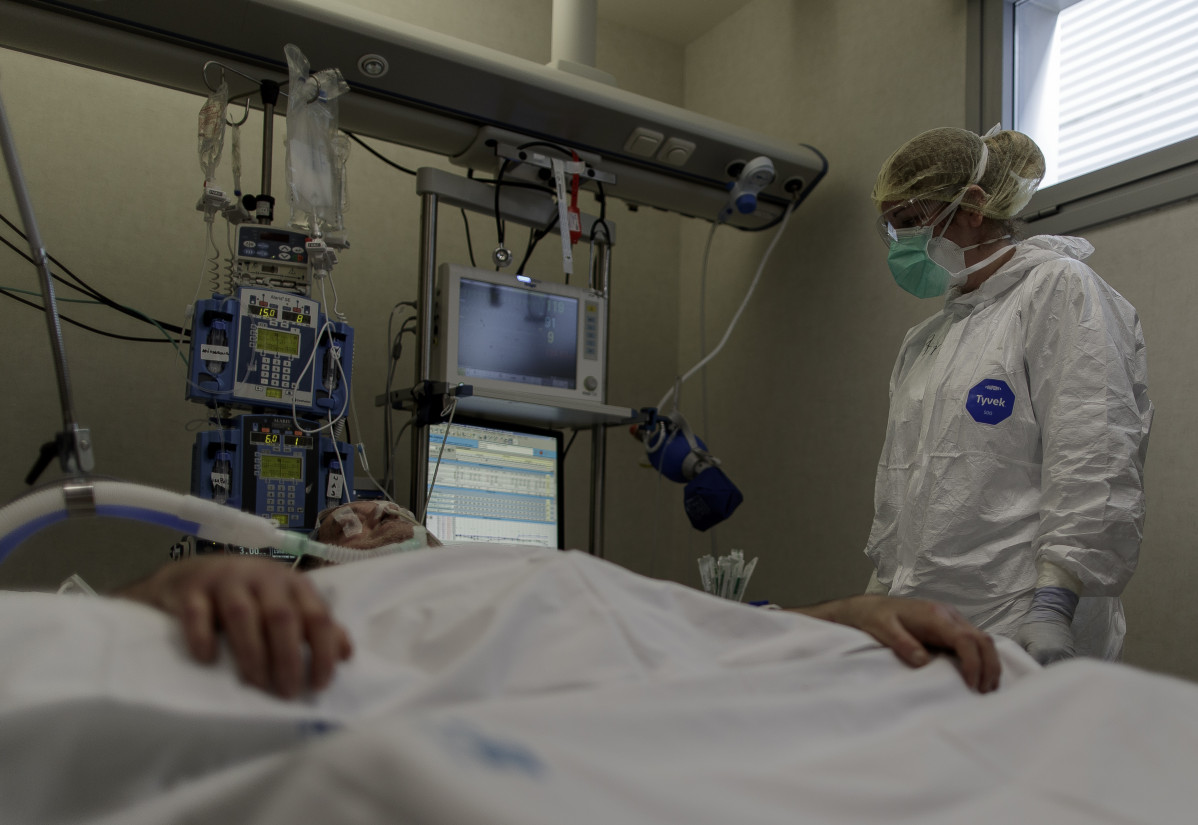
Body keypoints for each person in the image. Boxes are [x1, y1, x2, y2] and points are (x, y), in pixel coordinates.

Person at [118, 500, 1000, 697]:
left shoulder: (538, 573)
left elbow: (691, 627)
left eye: (387, 506)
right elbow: (75, 645)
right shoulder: (305, 613)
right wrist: (166, 590)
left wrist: (846, 613)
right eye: (339, 523)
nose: (367, 510)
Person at [868, 126, 1153, 665]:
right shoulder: (927, 340)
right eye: (892, 229)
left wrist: (1054, 603)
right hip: (927, 624)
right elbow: (904, 488)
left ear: (973, 206)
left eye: (910, 222)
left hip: (1021, 618)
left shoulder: (1058, 290)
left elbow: (1094, 454)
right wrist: (883, 598)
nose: (902, 243)